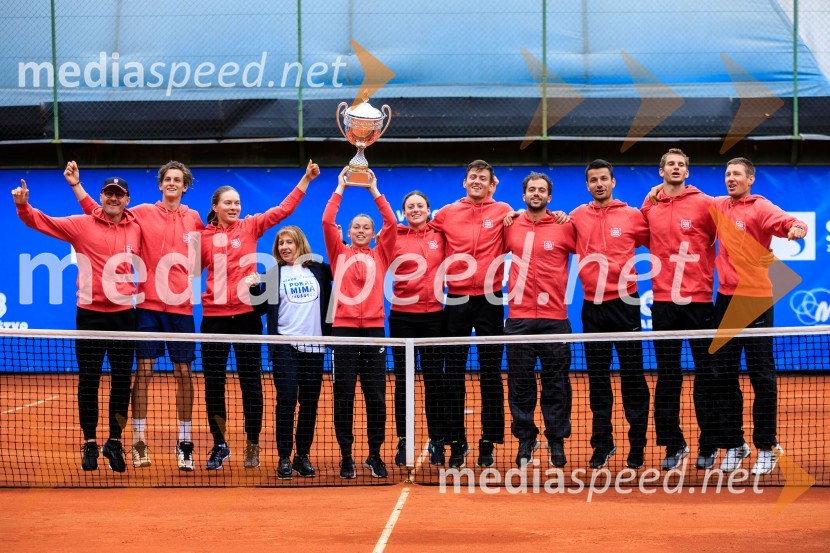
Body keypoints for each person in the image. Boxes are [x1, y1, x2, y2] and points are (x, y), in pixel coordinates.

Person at [67, 160, 204, 471]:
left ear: (184, 186)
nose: (172, 183)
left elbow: (203, 256)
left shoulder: (195, 219)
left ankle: (184, 441)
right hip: (147, 307)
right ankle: (138, 441)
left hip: (181, 309)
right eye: (167, 178)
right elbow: (101, 212)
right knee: (142, 373)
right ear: (160, 184)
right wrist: (77, 187)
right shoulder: (140, 213)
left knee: (184, 375)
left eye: (178, 180)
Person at [13, 175, 141, 473]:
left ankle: (114, 441)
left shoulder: (136, 227)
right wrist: (23, 207)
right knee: (89, 382)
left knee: (122, 383)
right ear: (101, 196)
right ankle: (89, 442)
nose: (113, 198)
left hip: (125, 317)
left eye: (118, 194)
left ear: (126, 199)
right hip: (90, 315)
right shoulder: (81, 224)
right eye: (108, 193)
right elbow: (43, 222)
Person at [200, 160, 319, 470]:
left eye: (237, 202)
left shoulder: (250, 226)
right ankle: (219, 444)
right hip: (213, 319)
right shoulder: (203, 238)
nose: (234, 206)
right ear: (216, 206)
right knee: (214, 384)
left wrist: (305, 179)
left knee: (250, 383)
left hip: (246, 319)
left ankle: (252, 442)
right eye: (228, 202)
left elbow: (282, 211)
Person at [712, 157, 807, 475]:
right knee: (723, 376)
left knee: (761, 377)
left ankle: (765, 447)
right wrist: (658, 189)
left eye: (736, 173)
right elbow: (687, 196)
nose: (730, 178)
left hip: (755, 301)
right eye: (727, 173)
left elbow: (789, 222)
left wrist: (797, 228)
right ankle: (735, 445)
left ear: (750, 179)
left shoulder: (761, 207)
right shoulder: (719, 206)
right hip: (725, 301)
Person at [428, 159, 512, 469]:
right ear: (465, 181)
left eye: (483, 177)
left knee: (491, 374)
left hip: (491, 298)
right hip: (457, 299)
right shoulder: (447, 213)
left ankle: (488, 442)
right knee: (454, 375)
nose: (476, 180)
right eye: (472, 176)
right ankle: (457, 442)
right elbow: (421, 232)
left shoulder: (504, 210)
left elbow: (532, 220)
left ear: (492, 184)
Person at [640, 149, 719, 471]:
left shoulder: (706, 203)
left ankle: (709, 444)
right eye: (670, 164)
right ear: (661, 172)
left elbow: (720, 238)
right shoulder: (651, 207)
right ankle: (674, 444)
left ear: (687, 172)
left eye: (681, 164)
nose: (676, 168)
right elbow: (645, 236)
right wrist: (649, 198)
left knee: (707, 376)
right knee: (668, 377)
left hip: (699, 301)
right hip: (663, 302)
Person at [570, 159, 650, 470]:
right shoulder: (576, 216)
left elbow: (657, 236)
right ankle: (602, 444)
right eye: (593, 180)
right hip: (592, 308)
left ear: (613, 182)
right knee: (598, 381)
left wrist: (656, 194)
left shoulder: (632, 215)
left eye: (604, 178)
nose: (599, 183)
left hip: (626, 303)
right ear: (587, 185)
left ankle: (637, 446)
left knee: (633, 379)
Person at [322, 167, 396, 479]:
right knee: (344, 396)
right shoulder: (338, 252)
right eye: (356, 227)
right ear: (348, 232)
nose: (362, 230)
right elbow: (327, 221)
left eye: (367, 226)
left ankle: (375, 454)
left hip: (375, 332)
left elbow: (392, 222)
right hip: (344, 332)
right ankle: (346, 456)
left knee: (376, 396)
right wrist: (340, 187)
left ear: (373, 233)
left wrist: (373, 190)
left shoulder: (382, 254)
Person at [503, 172, 577, 468]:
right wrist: (510, 215)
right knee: (520, 383)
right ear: (524, 196)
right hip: (519, 318)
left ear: (549, 197)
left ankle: (556, 440)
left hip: (555, 318)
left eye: (541, 190)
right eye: (531, 189)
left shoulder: (565, 225)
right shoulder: (509, 225)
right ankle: (526, 438)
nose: (536, 193)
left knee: (556, 383)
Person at [248, 226, 332, 479]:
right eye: (281, 243)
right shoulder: (274, 273)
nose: (285, 247)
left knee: (309, 403)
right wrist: (254, 289)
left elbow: (344, 262)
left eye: (290, 242)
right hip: (285, 346)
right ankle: (284, 457)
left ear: (300, 244)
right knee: (286, 401)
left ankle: (302, 456)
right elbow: (259, 308)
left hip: (314, 347)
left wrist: (337, 238)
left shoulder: (318, 268)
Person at [386, 191, 447, 467]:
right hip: (401, 318)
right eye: (410, 206)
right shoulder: (393, 236)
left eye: (420, 205)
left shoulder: (440, 234)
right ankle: (404, 440)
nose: (415, 210)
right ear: (403, 211)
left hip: (434, 318)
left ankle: (437, 440)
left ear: (428, 209)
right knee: (403, 383)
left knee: (435, 383)